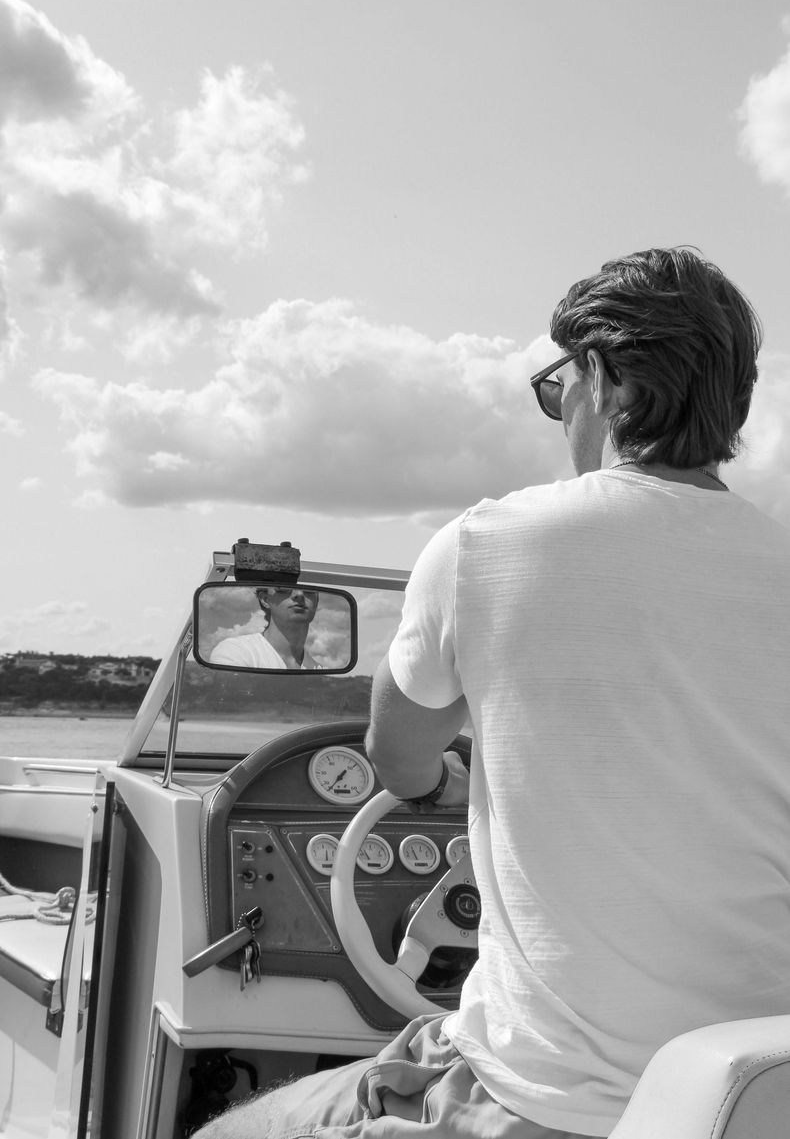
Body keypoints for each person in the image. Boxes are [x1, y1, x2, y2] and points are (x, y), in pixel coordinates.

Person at [193, 247, 790, 1139]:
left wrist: (439, 777)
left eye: (561, 388)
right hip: (756, 1097)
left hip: (538, 1101)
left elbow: (395, 755)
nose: (562, 417)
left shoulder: (488, 545)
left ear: (607, 382)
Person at [209, 586, 321, 670]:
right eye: (283, 588)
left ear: (316, 601)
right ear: (265, 599)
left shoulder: (322, 672)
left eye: (309, 590)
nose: (299, 594)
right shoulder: (234, 652)